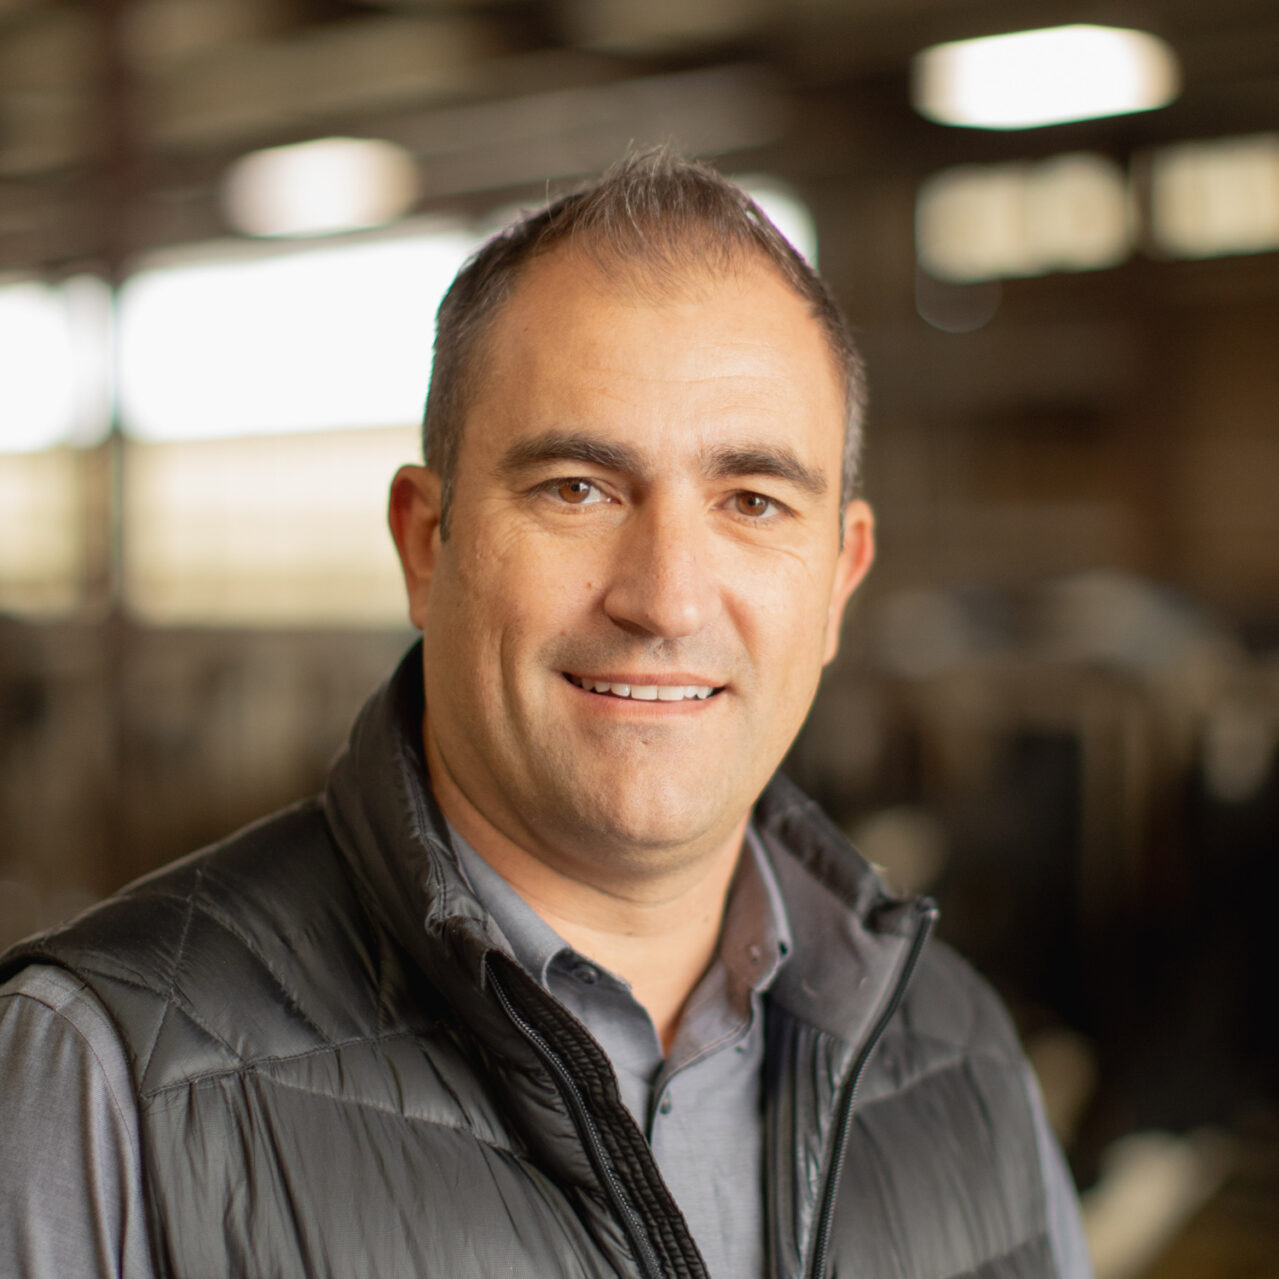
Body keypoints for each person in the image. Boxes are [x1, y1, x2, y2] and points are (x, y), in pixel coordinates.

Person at [0, 151, 1092, 1278]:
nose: (663, 597)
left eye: (753, 500)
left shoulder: (959, 1062)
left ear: (838, 582)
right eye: (578, 488)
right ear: (429, 543)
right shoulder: (106, 1081)